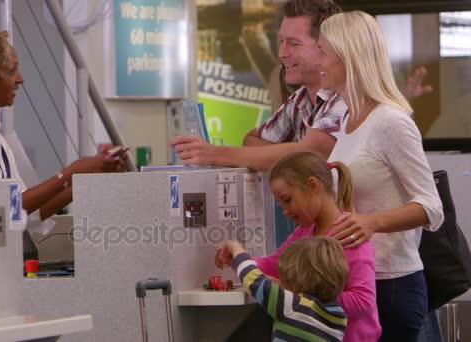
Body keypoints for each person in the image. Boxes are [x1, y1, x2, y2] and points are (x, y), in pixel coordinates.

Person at [170, 0, 432, 172]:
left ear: (327, 47)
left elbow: (312, 151)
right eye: (281, 41)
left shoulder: (349, 98)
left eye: (294, 44)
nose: (282, 54)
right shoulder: (301, 99)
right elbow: (253, 141)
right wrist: (290, 156)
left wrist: (217, 154)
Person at [317, 11, 444, 341]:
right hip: (357, 280)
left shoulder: (391, 122)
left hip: (393, 285)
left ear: (348, 57)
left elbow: (432, 207)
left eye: (323, 52)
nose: (319, 61)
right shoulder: (347, 120)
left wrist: (372, 222)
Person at [0, 28, 124, 220]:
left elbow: (22, 213)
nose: (20, 79)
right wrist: (69, 172)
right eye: (11, 71)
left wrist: (84, 181)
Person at [217, 151, 381, 341]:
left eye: (288, 200)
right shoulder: (303, 233)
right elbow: (273, 264)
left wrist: (297, 294)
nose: (285, 211)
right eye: (281, 204)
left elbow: (363, 302)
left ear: (313, 186)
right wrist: (238, 259)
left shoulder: (350, 234)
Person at [223, 236, 348, 341]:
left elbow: (254, 281)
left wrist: (236, 250)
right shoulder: (338, 315)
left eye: (285, 281)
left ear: (297, 282)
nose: (281, 285)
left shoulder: (293, 306)